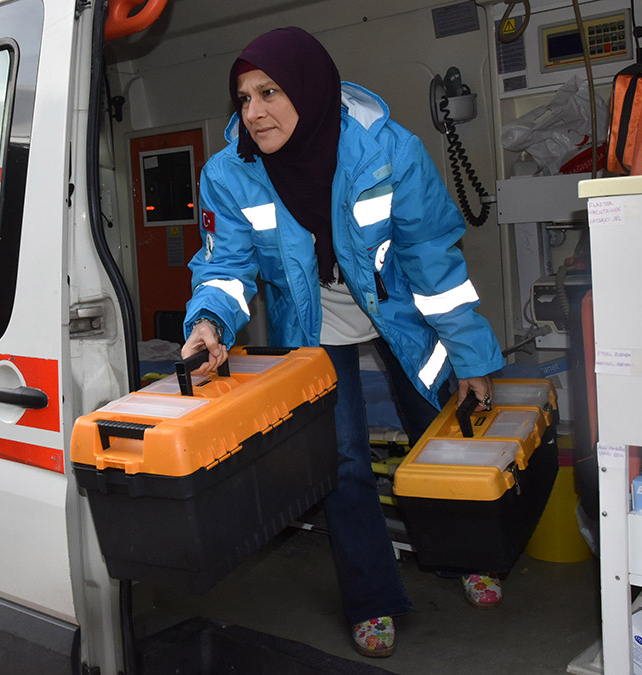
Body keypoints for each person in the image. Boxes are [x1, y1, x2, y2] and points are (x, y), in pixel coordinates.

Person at [180, 27, 505, 657]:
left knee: (442, 436)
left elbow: (433, 260)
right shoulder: (229, 174)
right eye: (243, 98)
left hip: (400, 314)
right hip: (312, 326)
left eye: (269, 92)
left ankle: (467, 556)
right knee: (345, 460)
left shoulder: (389, 152)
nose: (254, 111)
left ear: (308, 87)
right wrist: (208, 324)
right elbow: (225, 266)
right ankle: (372, 599)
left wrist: (470, 359)